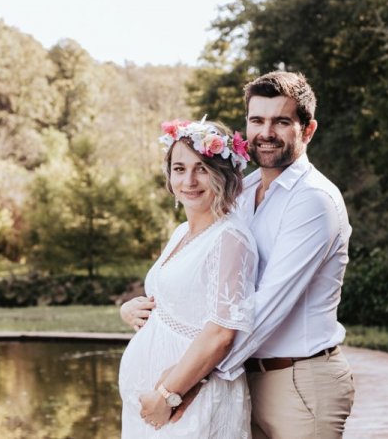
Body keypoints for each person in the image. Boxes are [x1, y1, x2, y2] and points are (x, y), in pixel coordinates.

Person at [122, 71, 355, 438]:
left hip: (296, 382)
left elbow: (263, 309)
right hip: (242, 378)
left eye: (281, 121)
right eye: (257, 120)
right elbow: (211, 279)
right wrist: (149, 312)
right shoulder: (242, 194)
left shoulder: (313, 201)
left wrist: (182, 384)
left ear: (307, 130)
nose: (266, 132)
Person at [117, 118, 258, 438]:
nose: (189, 180)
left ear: (224, 174)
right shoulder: (182, 232)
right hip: (155, 406)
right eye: (179, 169)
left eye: (202, 169)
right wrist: (131, 309)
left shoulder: (229, 238)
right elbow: (176, 301)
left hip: (189, 400)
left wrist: (167, 394)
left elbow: (221, 333)